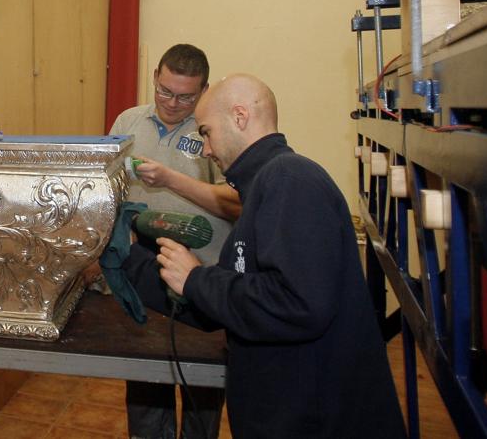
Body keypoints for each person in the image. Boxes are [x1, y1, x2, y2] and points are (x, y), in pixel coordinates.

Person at [152, 74, 406, 438]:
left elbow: (298, 304)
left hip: (313, 422)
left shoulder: (290, 179)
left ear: (239, 116)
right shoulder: (263, 186)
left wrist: (197, 279)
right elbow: (247, 290)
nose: (205, 149)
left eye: (206, 132)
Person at [106, 43, 238, 439]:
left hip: (204, 277)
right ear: (155, 78)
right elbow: (106, 185)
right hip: (141, 271)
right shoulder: (128, 121)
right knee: (145, 381)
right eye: (164, 91)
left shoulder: (218, 132)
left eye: (185, 97)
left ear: (204, 91)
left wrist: (172, 180)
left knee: (203, 390)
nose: (172, 103)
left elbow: (239, 203)